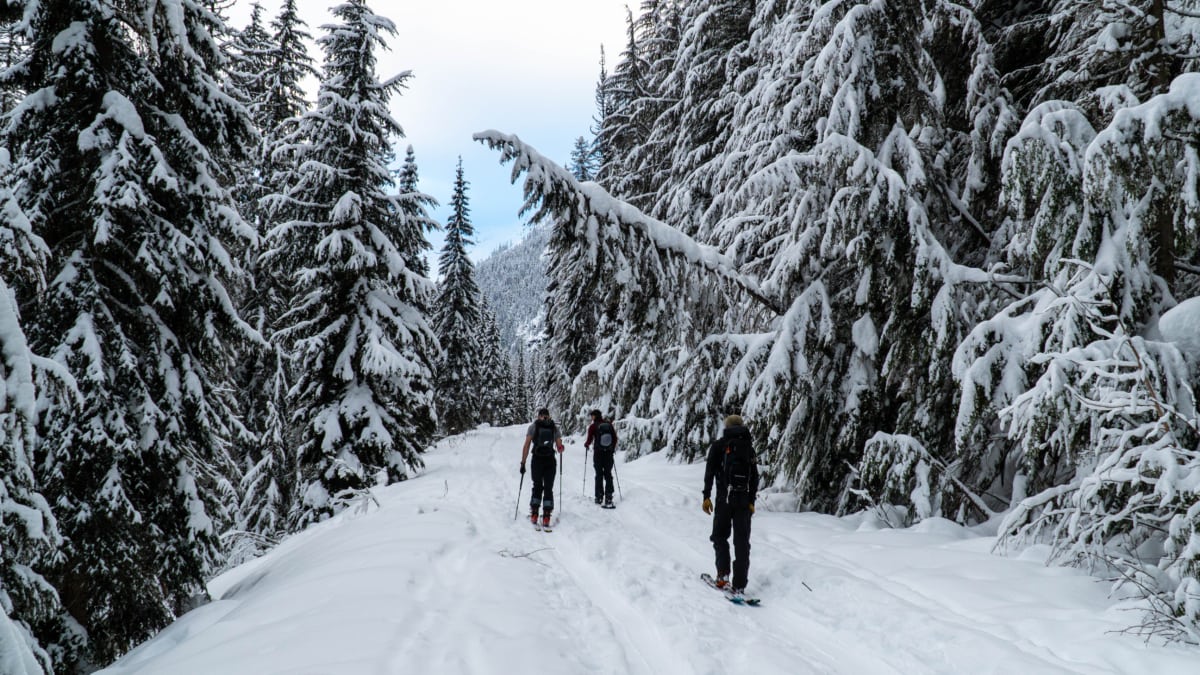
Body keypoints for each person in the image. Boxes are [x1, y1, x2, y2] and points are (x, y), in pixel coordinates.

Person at [702, 414, 758, 595]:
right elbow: (755, 477)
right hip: (742, 502)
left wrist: (706, 496)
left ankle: (723, 575)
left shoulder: (719, 446)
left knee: (719, 537)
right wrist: (751, 501)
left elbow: (709, 472)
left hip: (723, 500)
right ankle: (740, 584)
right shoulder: (749, 448)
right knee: (742, 543)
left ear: (726, 427)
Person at [520, 407, 564, 528]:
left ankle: (534, 513)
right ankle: (546, 516)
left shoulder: (534, 426)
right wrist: (560, 448)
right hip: (550, 460)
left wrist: (523, 463)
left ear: (539, 415)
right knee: (548, 487)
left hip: (537, 460)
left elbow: (527, 445)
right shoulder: (554, 427)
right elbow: (559, 446)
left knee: (537, 485)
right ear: (548, 416)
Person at [584, 409, 617, 507]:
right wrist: (611, 449)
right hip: (608, 454)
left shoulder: (593, 426)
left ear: (594, 416)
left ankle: (599, 497)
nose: (591, 417)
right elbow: (614, 438)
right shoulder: (609, 424)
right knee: (608, 474)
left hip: (598, 454)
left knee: (599, 475)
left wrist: (586, 445)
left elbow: (589, 439)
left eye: (592, 416)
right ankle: (609, 497)